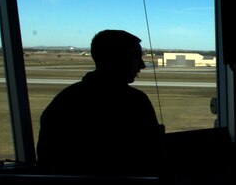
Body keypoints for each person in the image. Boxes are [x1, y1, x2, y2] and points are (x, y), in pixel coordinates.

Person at [36, 29, 162, 176]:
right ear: (115, 58)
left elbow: (47, 163)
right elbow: (152, 156)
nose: (142, 65)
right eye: (135, 56)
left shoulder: (63, 102)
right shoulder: (135, 101)